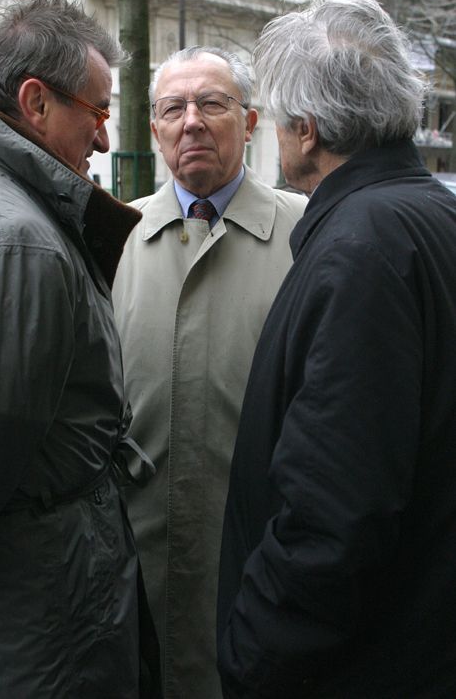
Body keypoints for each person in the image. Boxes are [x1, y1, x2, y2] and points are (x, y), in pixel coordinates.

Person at [217, 0, 456, 698]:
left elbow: (336, 513)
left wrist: (249, 652)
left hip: (363, 662)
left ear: (307, 129)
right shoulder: (429, 218)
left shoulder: (364, 246)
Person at [0, 0, 160, 698]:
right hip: (34, 633)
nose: (105, 137)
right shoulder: (18, 242)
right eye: (98, 111)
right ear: (36, 103)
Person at [112, 46, 306, 699]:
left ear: (250, 122)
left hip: (268, 578)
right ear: (155, 130)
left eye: (212, 104)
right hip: (135, 580)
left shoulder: (309, 233)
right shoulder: (113, 237)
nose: (191, 121)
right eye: (173, 108)